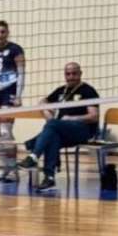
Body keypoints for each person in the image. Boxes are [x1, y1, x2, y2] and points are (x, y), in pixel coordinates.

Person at [18, 62, 99, 193]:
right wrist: (48, 111)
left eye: (74, 74)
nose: (71, 77)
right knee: (52, 135)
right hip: (62, 130)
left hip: (83, 131)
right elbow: (42, 102)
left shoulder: (88, 91)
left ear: (80, 74)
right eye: (68, 74)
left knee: (52, 126)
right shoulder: (61, 90)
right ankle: (49, 178)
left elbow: (94, 116)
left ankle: (33, 153)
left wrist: (72, 118)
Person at [0, 21, 26, 183]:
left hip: (10, 89)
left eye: (3, 31)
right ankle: (5, 168)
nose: (0, 34)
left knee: (5, 131)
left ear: (8, 33)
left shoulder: (16, 49)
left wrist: (18, 95)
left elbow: (21, 72)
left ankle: (12, 171)